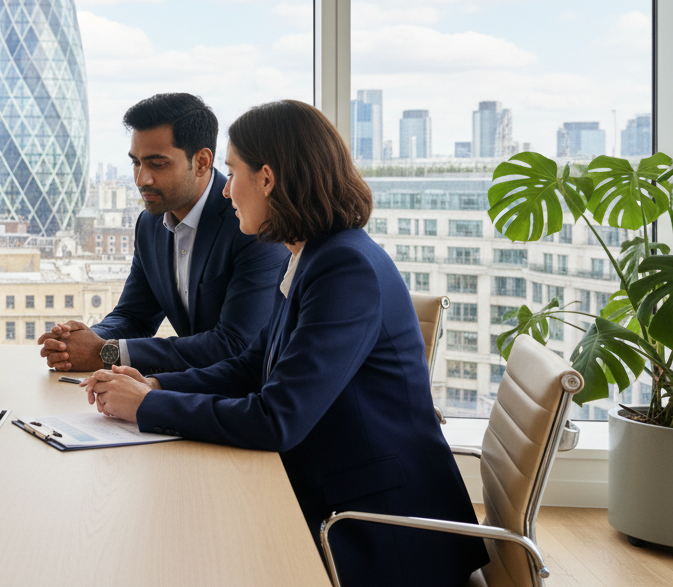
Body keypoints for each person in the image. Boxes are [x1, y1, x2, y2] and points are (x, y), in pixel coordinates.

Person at [83, 100, 488, 587]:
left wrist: (149, 406)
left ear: (268, 179)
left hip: (378, 531)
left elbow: (278, 419)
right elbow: (253, 364)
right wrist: (152, 383)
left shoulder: (345, 269)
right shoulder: (312, 254)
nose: (227, 191)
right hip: (334, 493)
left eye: (233, 174)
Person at [38, 93, 288, 375]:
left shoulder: (249, 223)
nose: (141, 179)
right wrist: (80, 340)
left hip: (243, 399)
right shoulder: (150, 224)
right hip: (192, 392)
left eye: (157, 164)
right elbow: (134, 316)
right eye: (136, 163)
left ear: (202, 162)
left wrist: (104, 352)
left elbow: (234, 344)